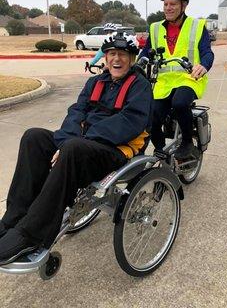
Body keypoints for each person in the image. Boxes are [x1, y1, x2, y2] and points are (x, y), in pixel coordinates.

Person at [0, 35, 153, 265]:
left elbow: (128, 123)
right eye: (112, 54)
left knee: (73, 148)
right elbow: (76, 112)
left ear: (131, 59)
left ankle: (32, 234)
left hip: (115, 150)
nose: (117, 59)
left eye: (122, 55)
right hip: (81, 144)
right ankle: (13, 218)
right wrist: (65, 141)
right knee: (34, 137)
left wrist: (78, 140)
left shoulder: (139, 87)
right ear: (106, 58)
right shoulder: (96, 83)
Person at [139, 0, 214, 160]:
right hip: (163, 81)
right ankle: (160, 151)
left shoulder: (196, 26)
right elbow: (145, 51)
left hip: (189, 78)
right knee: (152, 115)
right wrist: (138, 65)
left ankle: (187, 143)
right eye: (165, 4)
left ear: (183, 5)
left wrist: (203, 65)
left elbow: (207, 52)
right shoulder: (155, 27)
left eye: (173, 4)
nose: (168, 8)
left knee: (180, 103)